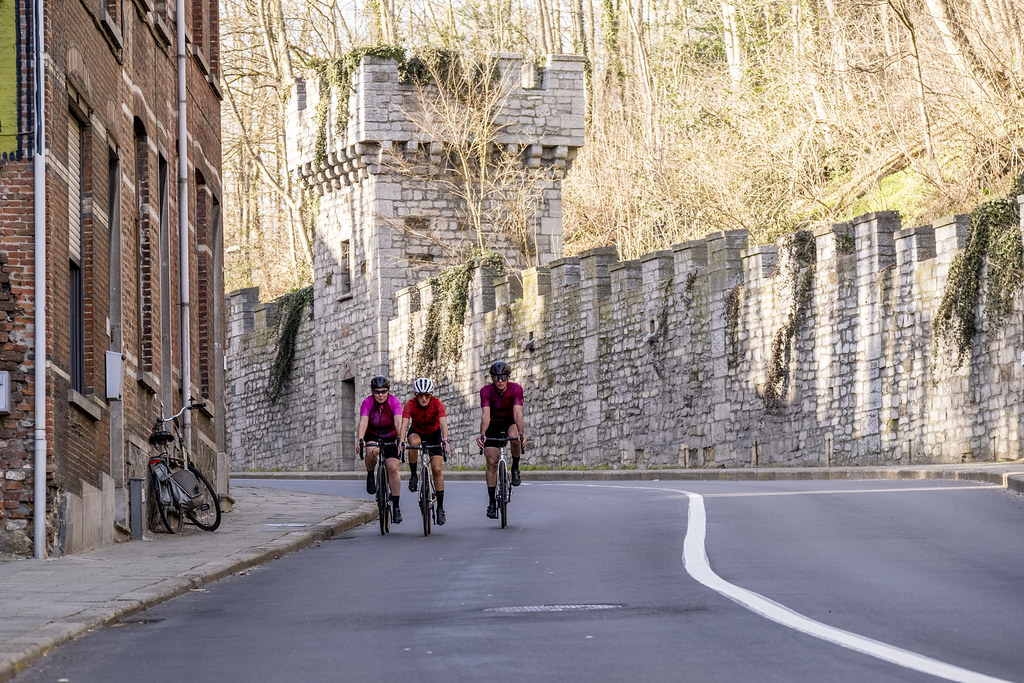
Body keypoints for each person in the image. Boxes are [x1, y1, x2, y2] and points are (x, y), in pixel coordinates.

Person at [475, 360, 527, 519]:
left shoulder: (516, 389)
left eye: (503, 377)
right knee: (492, 462)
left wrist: (522, 433)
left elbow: (517, 413)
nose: (500, 381)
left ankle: (515, 468)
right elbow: (486, 415)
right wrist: (482, 433)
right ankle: (492, 502)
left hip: (509, 421)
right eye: (496, 377)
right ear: (492, 378)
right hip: (492, 424)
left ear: (508, 377)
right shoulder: (486, 391)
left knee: (515, 437)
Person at [399, 377, 450, 525]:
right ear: (415, 395)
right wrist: (401, 441)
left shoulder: (437, 403)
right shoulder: (410, 404)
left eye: (427, 395)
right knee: (413, 443)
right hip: (417, 432)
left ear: (431, 394)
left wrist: (445, 440)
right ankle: (414, 475)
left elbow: (443, 423)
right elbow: (404, 425)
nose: (423, 398)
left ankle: (440, 508)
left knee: (437, 469)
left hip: (434, 435)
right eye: (420, 395)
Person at [357, 374, 404, 523]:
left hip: (391, 435)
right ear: (372, 392)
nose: (381, 395)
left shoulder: (394, 401)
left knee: (392, 468)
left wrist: (401, 440)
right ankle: (371, 474)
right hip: (373, 435)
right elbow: (363, 422)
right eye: (377, 392)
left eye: (384, 391)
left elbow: (398, 422)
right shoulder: (367, 402)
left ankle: (396, 506)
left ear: (388, 391)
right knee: (372, 451)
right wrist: (360, 439)